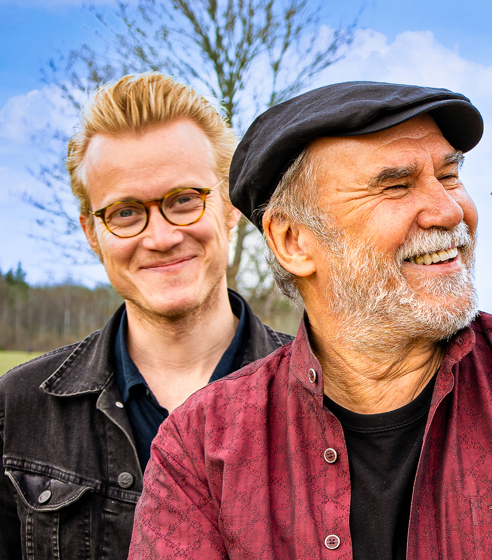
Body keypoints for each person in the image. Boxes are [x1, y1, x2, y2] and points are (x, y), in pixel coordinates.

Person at [128, 81, 492, 559]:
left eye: (449, 175)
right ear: (292, 242)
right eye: (395, 186)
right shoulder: (202, 450)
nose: (448, 211)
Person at [0, 73, 291, 559]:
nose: (160, 238)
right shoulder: (17, 410)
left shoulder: (326, 394)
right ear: (92, 234)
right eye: (126, 212)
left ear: (229, 208)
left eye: (184, 200)